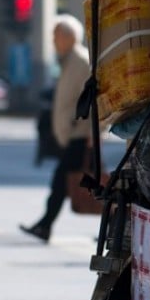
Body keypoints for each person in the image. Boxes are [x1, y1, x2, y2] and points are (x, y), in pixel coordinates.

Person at [20, 14, 92, 242]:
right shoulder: (69, 61)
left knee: (63, 182)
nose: (53, 40)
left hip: (80, 135)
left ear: (69, 37)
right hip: (73, 135)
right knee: (71, 182)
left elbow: (91, 100)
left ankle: (45, 225)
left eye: (56, 35)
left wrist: (91, 133)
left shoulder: (80, 61)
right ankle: (45, 225)